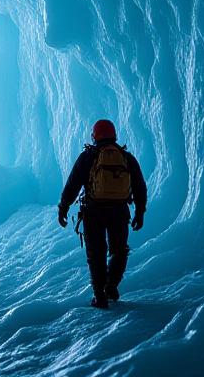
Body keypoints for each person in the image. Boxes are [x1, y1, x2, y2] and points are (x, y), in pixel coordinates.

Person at [57, 120, 147, 309]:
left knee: (96, 254)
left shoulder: (88, 156)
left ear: (94, 136)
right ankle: (111, 286)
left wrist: (63, 207)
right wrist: (139, 212)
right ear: (114, 135)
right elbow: (139, 186)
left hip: (93, 211)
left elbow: (72, 184)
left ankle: (100, 296)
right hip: (119, 211)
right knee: (119, 250)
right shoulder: (126, 157)